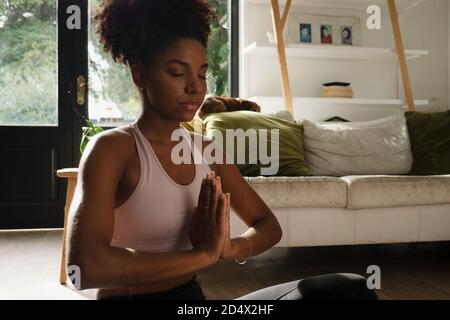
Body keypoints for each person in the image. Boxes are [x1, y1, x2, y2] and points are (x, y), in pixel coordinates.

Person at [67, 0, 377, 301]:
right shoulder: (112, 149)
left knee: (348, 289)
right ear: (140, 75)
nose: (195, 87)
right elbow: (84, 267)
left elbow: (268, 226)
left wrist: (231, 248)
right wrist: (202, 255)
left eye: (201, 74)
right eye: (177, 72)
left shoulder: (206, 151)